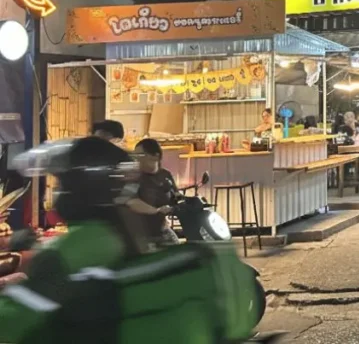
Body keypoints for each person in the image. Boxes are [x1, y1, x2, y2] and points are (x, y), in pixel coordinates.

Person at [0, 137, 263, 342]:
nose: (58, 191)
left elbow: (14, 318)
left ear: (75, 190)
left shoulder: (72, 249)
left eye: (61, 183)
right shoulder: (125, 233)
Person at [125, 138, 179, 246]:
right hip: (140, 235)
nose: (136, 159)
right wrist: (156, 210)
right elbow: (131, 201)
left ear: (155, 156)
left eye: (141, 155)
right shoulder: (133, 177)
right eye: (135, 155)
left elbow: (175, 196)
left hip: (162, 230)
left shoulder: (165, 175)